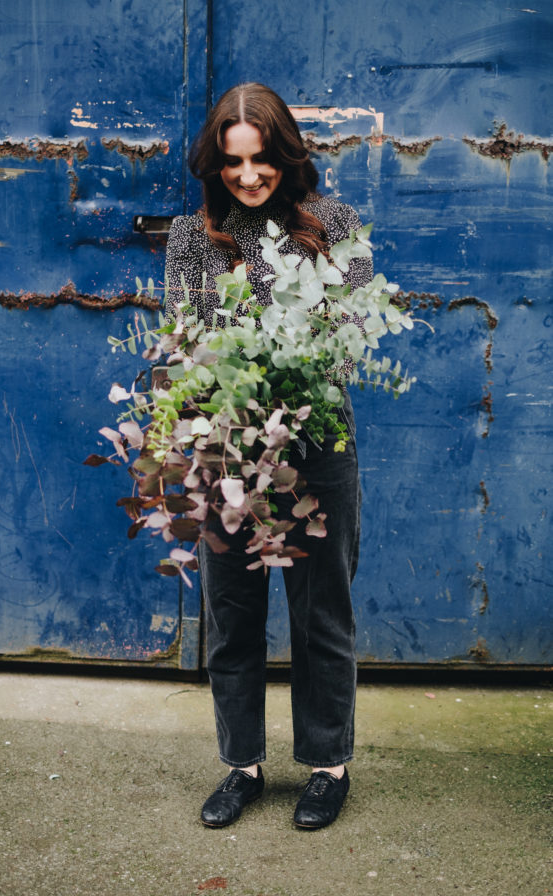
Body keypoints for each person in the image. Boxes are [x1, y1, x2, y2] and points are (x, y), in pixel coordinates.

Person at [164, 83, 372, 830]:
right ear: (213, 165)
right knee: (232, 610)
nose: (247, 178)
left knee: (321, 614)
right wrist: (203, 398)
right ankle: (241, 766)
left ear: (285, 155)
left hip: (317, 448)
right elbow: (182, 343)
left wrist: (277, 369)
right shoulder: (193, 237)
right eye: (231, 165)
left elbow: (345, 344)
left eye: (260, 162)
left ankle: (326, 765)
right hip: (225, 453)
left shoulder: (335, 225)